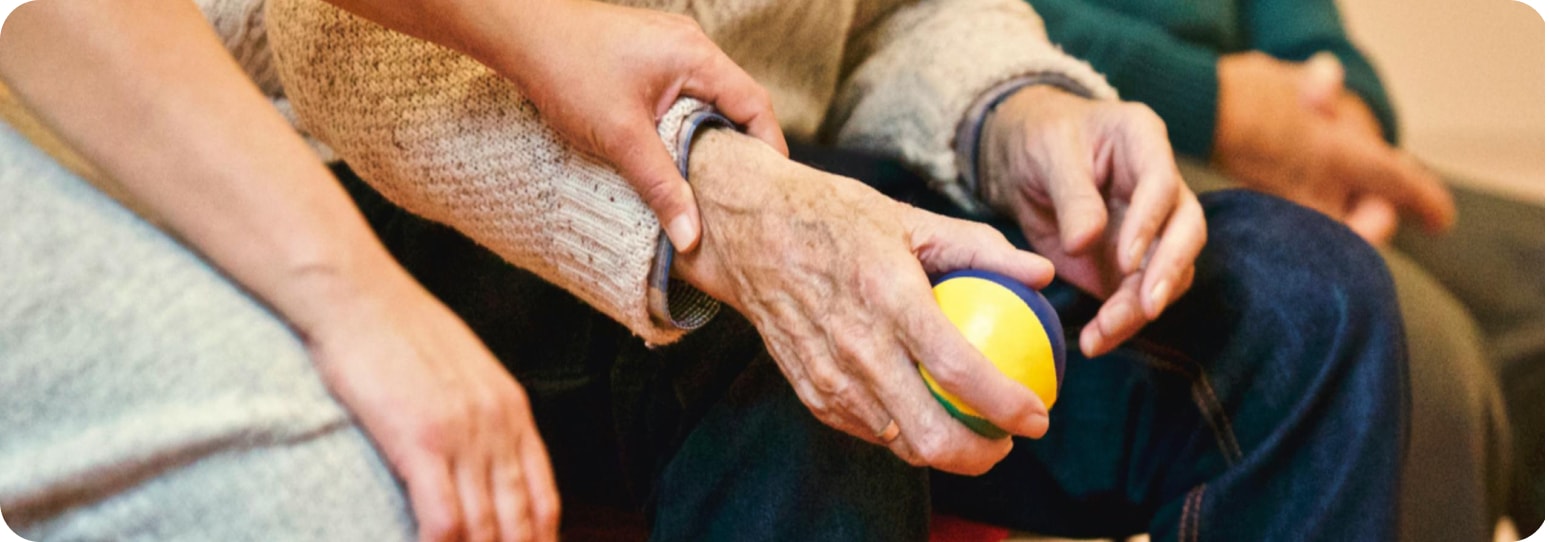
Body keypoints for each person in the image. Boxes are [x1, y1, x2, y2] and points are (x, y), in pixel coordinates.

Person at [0, 1, 1406, 542]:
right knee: (794, 379)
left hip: (803, 170)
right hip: (473, 200)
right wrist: (718, 205)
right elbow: (326, 41)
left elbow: (888, 10)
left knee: (1306, 306)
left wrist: (1019, 113)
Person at [1018, 0, 1543, 537]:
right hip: (1064, 129)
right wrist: (1216, 106)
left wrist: (1345, 106)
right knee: (1395, 337)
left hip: (1277, 118)